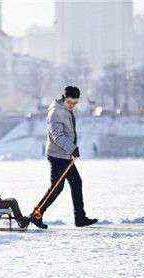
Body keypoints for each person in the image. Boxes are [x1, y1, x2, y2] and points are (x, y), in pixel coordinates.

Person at [30, 86, 97, 229]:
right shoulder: (56, 112)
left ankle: (80, 218)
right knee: (56, 188)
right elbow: (57, 136)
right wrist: (73, 148)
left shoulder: (64, 109)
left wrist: (71, 150)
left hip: (64, 155)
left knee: (75, 183)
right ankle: (35, 215)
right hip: (57, 155)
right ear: (64, 98)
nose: (72, 105)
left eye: (75, 102)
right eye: (70, 101)